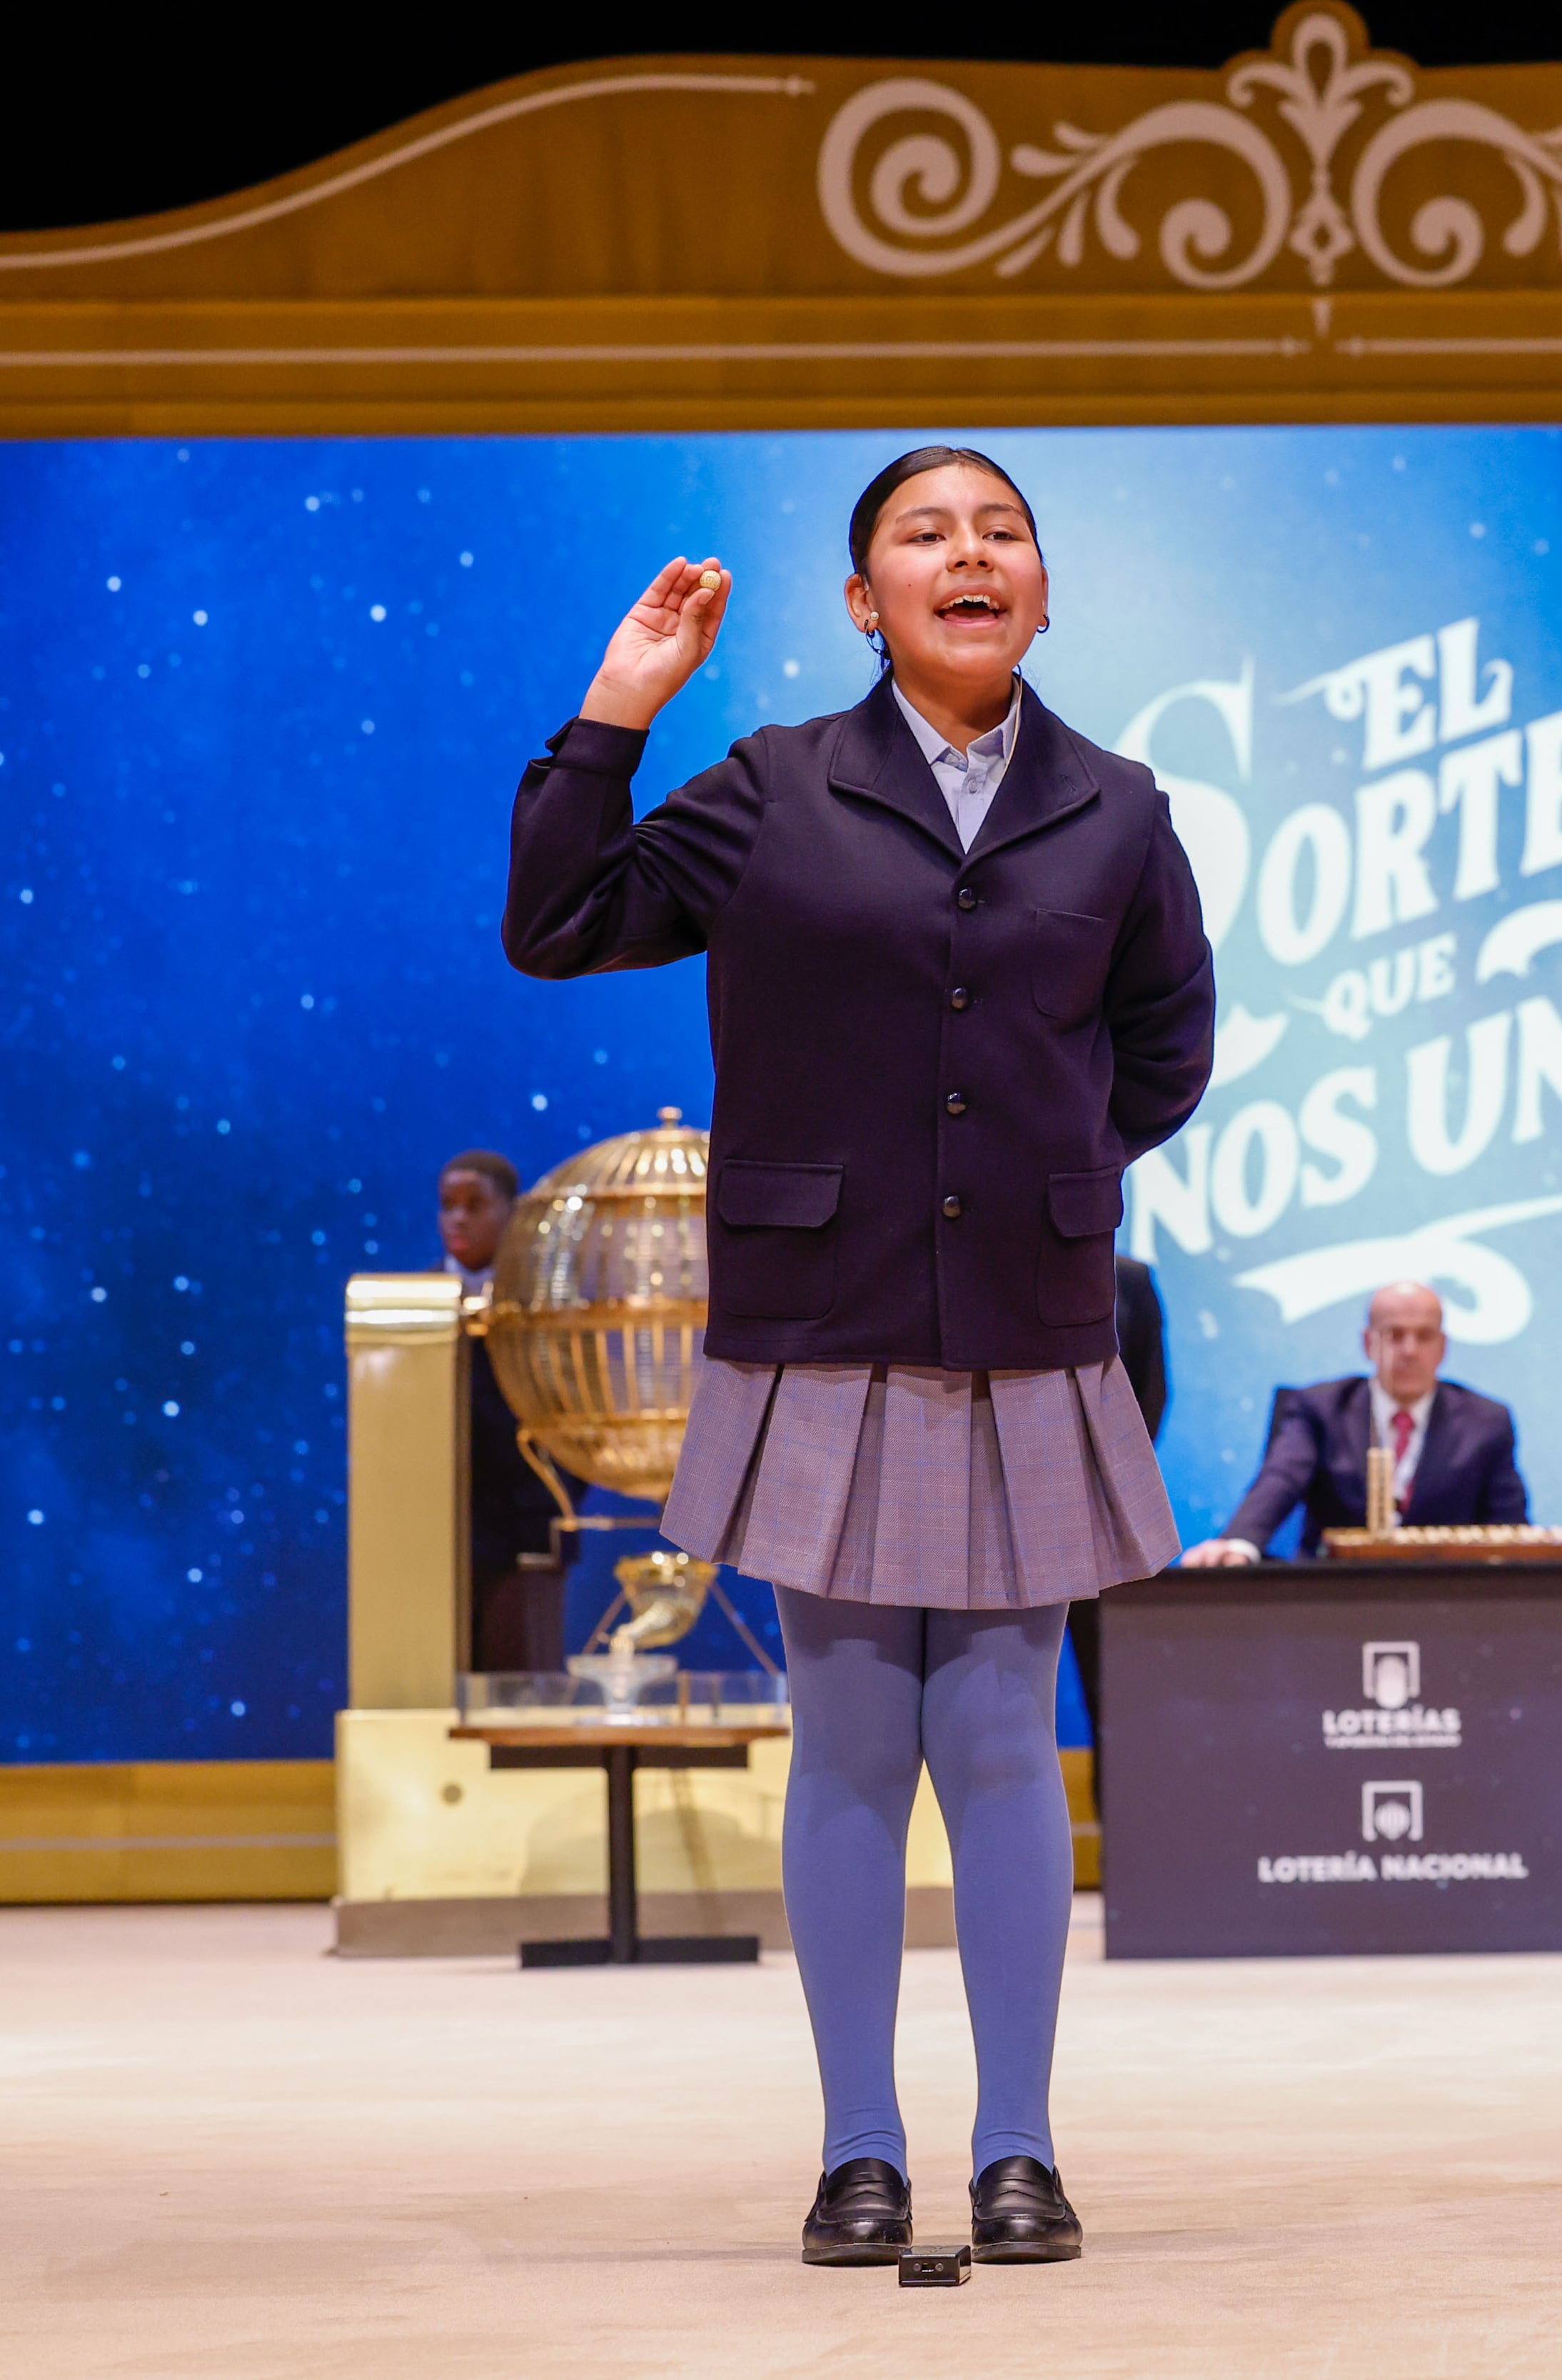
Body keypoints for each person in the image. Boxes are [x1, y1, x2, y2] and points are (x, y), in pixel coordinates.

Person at [504, 446, 1213, 2271]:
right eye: (924, 534)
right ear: (864, 600)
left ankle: (1021, 2148)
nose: (966, 555)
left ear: (1041, 592)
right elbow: (556, 922)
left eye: (1000, 534)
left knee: (996, 1740)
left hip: (1025, 1331)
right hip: (819, 1324)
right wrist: (616, 713)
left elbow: (1164, 1049)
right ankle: (858, 2152)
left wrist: (1035, 1183)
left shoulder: (1121, 809)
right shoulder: (771, 789)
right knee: (847, 1742)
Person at [1182, 1281, 1527, 1562]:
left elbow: (1510, 1530)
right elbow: (1281, 1478)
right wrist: (1239, 1543)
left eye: (1423, 1336)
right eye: (1394, 1335)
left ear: (1442, 1347)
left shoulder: (1487, 1422)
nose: (1409, 1350)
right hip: (1335, 1594)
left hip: (1447, 1601)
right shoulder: (1320, 1408)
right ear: (1368, 1343)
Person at [439, 1150, 573, 1674]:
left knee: (520, 1694)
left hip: (526, 1534)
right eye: (447, 1205)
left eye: (475, 1204)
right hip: (432, 1533)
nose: (458, 1218)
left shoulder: (542, 1304)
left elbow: (567, 1418)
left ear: (511, 1212)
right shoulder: (412, 1310)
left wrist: (551, 1511)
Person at [1060, 1250, 1169, 1814]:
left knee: (1117, 1695)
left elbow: (1150, 1391)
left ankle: (1121, 1857)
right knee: (989, 1696)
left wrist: (1105, 1483)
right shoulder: (985, 1259)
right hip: (988, 1511)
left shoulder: (1129, 1277)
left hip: (1096, 1520)